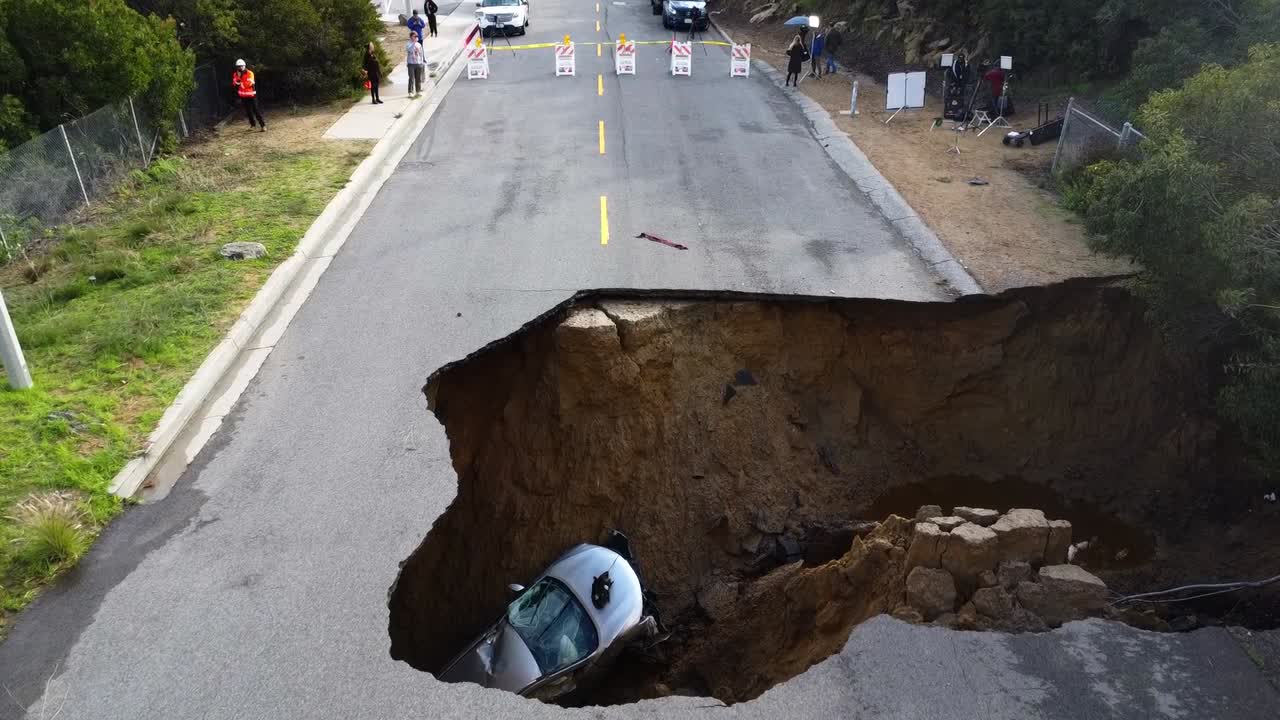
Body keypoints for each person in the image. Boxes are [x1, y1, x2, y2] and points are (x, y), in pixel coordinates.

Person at [232, 59, 265, 131]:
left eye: (241, 66)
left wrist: (239, 81)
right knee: (248, 111)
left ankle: (263, 125)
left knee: (256, 110)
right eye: (238, 66)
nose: (240, 68)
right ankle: (253, 125)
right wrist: (239, 80)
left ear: (244, 66)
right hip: (243, 96)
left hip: (251, 96)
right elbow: (234, 83)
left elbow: (249, 84)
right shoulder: (235, 74)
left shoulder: (250, 73)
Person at [405, 32, 426, 98]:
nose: (416, 37)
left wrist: (422, 62)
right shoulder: (408, 44)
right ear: (411, 37)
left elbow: (421, 54)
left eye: (417, 36)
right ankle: (410, 92)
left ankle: (418, 91)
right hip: (411, 63)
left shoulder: (419, 44)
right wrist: (414, 43)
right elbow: (410, 50)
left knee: (418, 78)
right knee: (411, 78)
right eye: (415, 36)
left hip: (418, 63)